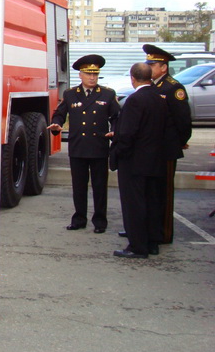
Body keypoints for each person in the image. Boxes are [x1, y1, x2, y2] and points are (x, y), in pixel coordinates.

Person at [48, 54, 119, 233]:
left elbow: (117, 116)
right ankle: (79, 219)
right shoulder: (71, 94)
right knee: (79, 186)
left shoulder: (108, 94)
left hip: (98, 147)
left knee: (99, 187)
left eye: (95, 74)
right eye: (89, 74)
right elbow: (60, 113)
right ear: (80, 75)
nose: (92, 77)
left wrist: (116, 130)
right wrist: (56, 124)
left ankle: (100, 221)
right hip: (78, 146)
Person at [109, 63, 168, 258]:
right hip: (155, 160)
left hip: (135, 161)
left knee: (134, 204)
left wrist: (118, 152)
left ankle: (137, 246)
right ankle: (152, 242)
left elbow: (128, 133)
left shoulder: (135, 100)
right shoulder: (159, 98)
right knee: (152, 202)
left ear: (133, 78)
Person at [143, 44, 193, 244]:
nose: (149, 68)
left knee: (164, 193)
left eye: (152, 65)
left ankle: (164, 233)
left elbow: (183, 121)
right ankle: (148, 229)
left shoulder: (174, 88)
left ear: (163, 67)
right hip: (153, 149)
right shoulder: (153, 86)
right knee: (151, 192)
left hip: (167, 149)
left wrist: (181, 142)